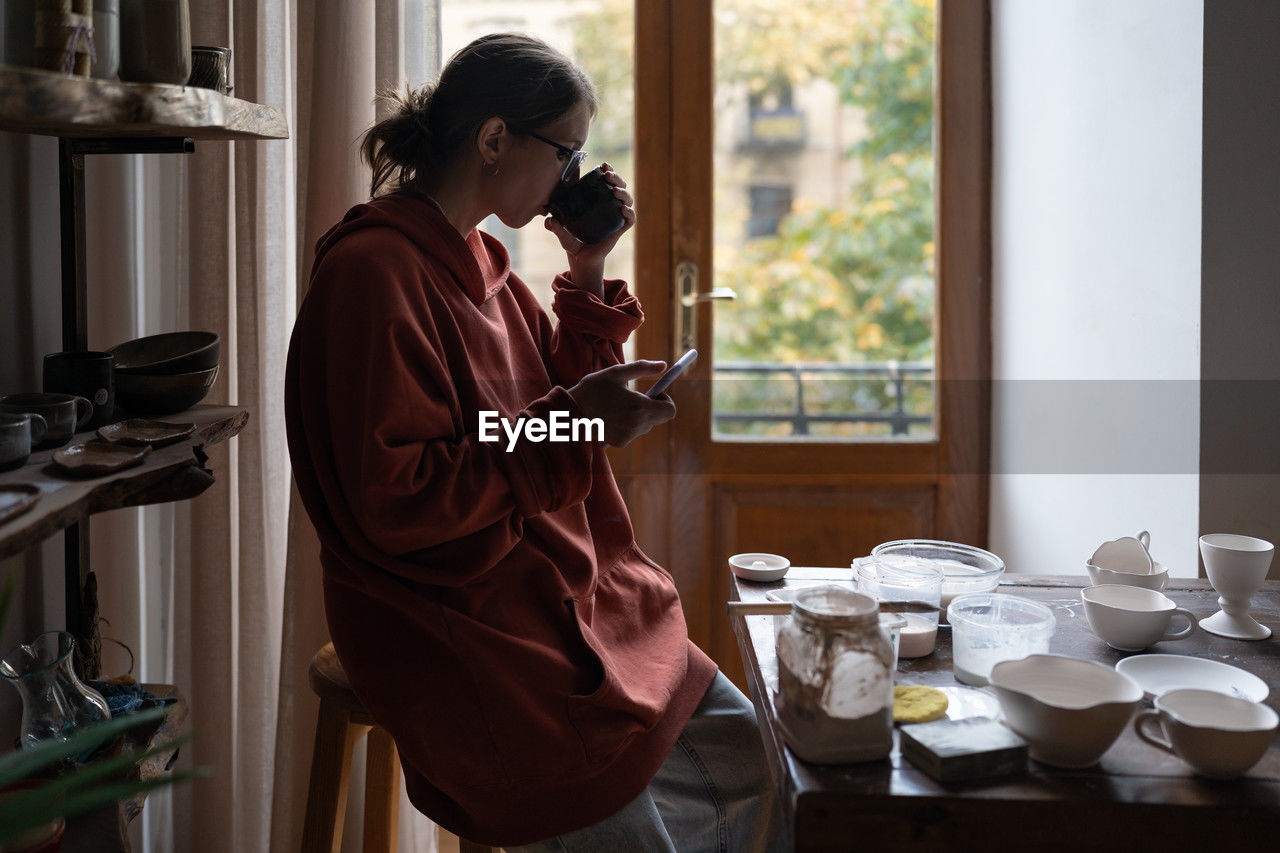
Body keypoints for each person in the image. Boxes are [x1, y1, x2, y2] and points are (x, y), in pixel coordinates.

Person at [284, 33, 783, 851]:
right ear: (493, 139)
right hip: (455, 605)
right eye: (566, 151)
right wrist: (573, 429)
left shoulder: (485, 263)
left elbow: (547, 406)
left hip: (553, 572)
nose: (572, 177)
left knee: (756, 754)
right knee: (601, 774)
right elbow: (399, 494)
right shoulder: (375, 274)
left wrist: (586, 274)